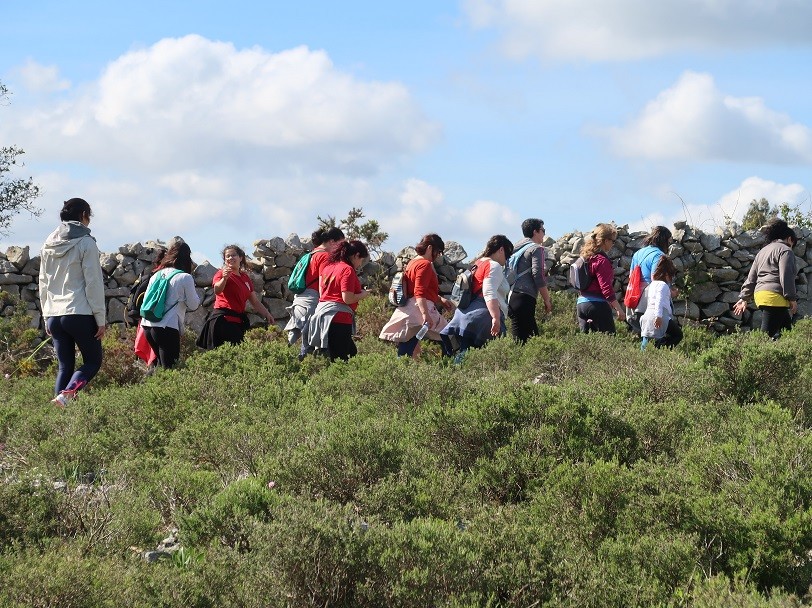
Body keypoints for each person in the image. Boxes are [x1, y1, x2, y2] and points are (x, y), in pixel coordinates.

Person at [39, 198, 106, 407]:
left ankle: (58, 416)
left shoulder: (48, 243)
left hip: (54, 315)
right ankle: (67, 395)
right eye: (89, 217)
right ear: (83, 215)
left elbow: (43, 282)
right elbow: (93, 283)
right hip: (79, 312)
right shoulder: (87, 243)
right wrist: (100, 318)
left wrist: (46, 315)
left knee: (64, 366)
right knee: (93, 362)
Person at [379, 233, 455, 358]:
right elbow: (419, 292)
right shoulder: (424, 264)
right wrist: (425, 314)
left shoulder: (412, 263)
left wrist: (440, 300)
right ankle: (450, 368)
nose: (438, 256)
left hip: (410, 307)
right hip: (420, 309)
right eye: (438, 252)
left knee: (409, 345)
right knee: (448, 337)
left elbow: (420, 289)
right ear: (430, 248)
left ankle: (401, 372)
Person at [440, 235, 514, 361]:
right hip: (482, 318)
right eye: (507, 254)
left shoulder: (477, 264)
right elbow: (488, 291)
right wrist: (495, 318)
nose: (507, 259)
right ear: (501, 249)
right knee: (496, 359)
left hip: (465, 315)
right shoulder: (494, 266)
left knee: (464, 355)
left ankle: (452, 378)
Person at [197, 244, 274, 349]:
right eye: (227, 256)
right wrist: (224, 278)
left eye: (233, 255)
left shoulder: (245, 278)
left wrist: (267, 314)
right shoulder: (221, 274)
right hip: (223, 321)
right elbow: (217, 290)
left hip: (238, 321)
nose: (230, 258)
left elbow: (255, 302)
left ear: (240, 258)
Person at [284, 227, 345, 357]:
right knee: (309, 337)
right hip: (313, 300)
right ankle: (304, 364)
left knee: (295, 334)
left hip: (300, 298)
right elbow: (324, 280)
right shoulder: (325, 256)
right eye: (341, 244)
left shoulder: (311, 254)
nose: (342, 248)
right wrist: (325, 301)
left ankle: (278, 357)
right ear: (332, 242)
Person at [733, 218, 798, 339]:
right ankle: (748, 356)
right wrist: (791, 298)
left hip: (761, 295)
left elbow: (751, 278)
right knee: (764, 339)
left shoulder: (762, 251)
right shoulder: (786, 250)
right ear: (790, 239)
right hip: (774, 297)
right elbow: (786, 275)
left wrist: (744, 297)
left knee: (788, 334)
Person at [306, 240, 369, 361]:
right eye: (361, 259)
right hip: (339, 318)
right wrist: (363, 294)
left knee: (348, 353)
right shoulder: (347, 270)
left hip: (322, 318)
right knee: (341, 359)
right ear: (356, 255)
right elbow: (347, 298)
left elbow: (322, 292)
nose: (360, 264)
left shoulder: (328, 268)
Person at [140, 241, 201, 369]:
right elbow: (194, 305)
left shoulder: (156, 275)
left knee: (160, 367)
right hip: (167, 327)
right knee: (170, 370)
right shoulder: (185, 277)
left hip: (148, 326)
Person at [507, 218, 552, 343]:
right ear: (535, 232)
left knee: (524, 340)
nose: (544, 234)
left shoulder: (515, 248)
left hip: (512, 296)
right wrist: (547, 300)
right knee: (528, 343)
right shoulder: (536, 249)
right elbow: (538, 274)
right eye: (543, 230)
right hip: (525, 298)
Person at [576, 223, 626, 333]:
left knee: (586, 346)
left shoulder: (587, 258)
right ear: (605, 240)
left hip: (581, 305)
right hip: (597, 305)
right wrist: (618, 309)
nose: (613, 244)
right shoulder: (601, 261)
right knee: (608, 342)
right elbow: (606, 288)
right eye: (612, 241)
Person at [626, 225, 673, 335]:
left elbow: (631, 276)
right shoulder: (659, 255)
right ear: (664, 240)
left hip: (635, 296)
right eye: (668, 241)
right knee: (657, 333)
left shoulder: (638, 253)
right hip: (649, 299)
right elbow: (656, 278)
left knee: (641, 332)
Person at [640, 256, 683, 349]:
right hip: (660, 316)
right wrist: (658, 316)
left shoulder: (652, 284)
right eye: (671, 276)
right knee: (678, 335)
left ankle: (645, 357)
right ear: (667, 275)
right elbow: (659, 300)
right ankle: (663, 351)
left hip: (647, 316)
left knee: (647, 340)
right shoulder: (663, 285)